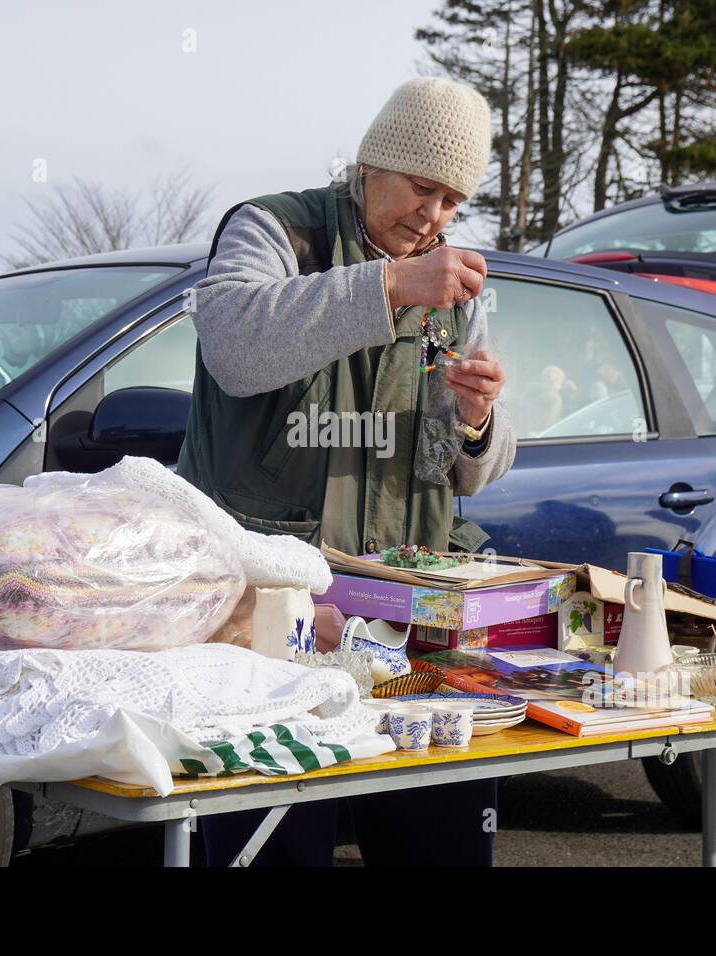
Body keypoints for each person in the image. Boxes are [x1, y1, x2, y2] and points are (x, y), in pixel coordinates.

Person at [177, 77, 516, 866]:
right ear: (370, 164)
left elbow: (458, 469)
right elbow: (232, 343)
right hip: (268, 641)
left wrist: (474, 421)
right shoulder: (274, 230)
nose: (433, 217)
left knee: (442, 850)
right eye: (422, 189)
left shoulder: (447, 289)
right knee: (273, 854)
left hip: (409, 637)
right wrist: (389, 288)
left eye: (453, 201)